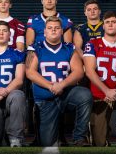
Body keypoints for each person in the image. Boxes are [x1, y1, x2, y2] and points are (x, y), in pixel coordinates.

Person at [25, 16, 92, 146]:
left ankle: (79, 137)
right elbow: (30, 72)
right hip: (45, 98)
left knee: (85, 95)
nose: (53, 31)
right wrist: (51, 86)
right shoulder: (36, 48)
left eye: (57, 28)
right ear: (44, 31)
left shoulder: (69, 48)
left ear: (62, 31)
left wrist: (62, 84)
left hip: (65, 93)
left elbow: (78, 72)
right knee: (48, 143)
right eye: (50, 28)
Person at [83, 11, 116, 147]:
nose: (110, 24)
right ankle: (99, 133)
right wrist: (106, 90)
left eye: (114, 22)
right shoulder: (92, 44)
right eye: (107, 22)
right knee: (99, 143)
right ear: (103, 26)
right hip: (98, 95)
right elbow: (89, 71)